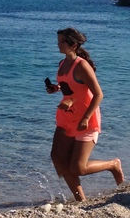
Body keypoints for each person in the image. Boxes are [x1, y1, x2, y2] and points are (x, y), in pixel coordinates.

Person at [45, 27, 125, 202]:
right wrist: (56, 89)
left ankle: (113, 165)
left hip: (85, 120)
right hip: (67, 117)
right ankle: (80, 199)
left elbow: (98, 94)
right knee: (58, 158)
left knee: (78, 168)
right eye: (58, 41)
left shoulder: (81, 65)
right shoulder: (62, 64)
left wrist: (86, 117)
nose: (58, 44)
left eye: (62, 41)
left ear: (73, 45)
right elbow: (71, 87)